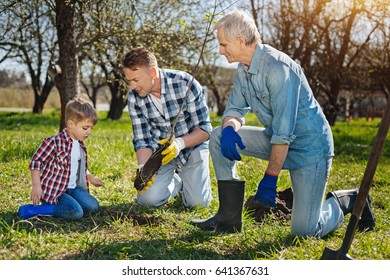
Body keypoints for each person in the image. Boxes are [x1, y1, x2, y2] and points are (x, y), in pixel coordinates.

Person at [191, 11, 375, 237]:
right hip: (277, 139)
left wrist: (270, 178)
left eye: (223, 44)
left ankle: (346, 200)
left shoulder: (278, 68)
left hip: (310, 149)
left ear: (240, 41)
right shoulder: (243, 69)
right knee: (218, 137)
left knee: (305, 231)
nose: (220, 51)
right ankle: (228, 218)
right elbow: (236, 109)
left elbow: (284, 133)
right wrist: (230, 127)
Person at [121, 46, 212, 208]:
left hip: (192, 148)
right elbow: (142, 139)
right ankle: (175, 184)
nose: (132, 87)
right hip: (160, 155)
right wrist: (143, 168)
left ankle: (189, 183)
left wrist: (179, 144)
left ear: (153, 73)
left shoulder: (185, 84)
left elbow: (205, 128)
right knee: (147, 201)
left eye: (136, 80)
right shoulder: (134, 98)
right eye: (129, 81)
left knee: (198, 204)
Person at [18, 95, 104, 220]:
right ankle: (35, 210)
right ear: (71, 124)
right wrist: (36, 186)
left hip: (72, 189)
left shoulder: (80, 145)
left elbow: (77, 167)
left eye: (91, 128)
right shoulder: (54, 142)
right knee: (76, 213)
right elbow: (36, 162)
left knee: (93, 206)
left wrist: (90, 178)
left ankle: (67, 204)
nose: (89, 132)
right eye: (85, 128)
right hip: (54, 191)